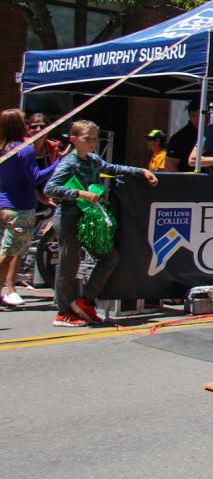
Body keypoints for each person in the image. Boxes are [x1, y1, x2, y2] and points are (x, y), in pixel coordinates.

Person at [45, 120, 158, 327]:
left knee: (109, 258)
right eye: (87, 139)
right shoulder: (69, 163)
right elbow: (50, 188)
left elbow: (112, 168)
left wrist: (141, 171)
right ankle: (63, 313)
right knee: (68, 267)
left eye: (95, 139)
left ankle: (85, 302)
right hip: (69, 219)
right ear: (74, 140)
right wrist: (80, 194)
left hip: (89, 220)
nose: (92, 143)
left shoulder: (94, 159)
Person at [0, 109, 59, 308]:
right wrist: (58, 163)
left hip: (4, 204)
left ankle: (6, 289)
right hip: (20, 206)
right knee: (12, 251)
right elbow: (36, 177)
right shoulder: (24, 150)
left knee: (9, 249)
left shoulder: (4, 147)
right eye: (26, 122)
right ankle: (8, 289)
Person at [165, 99, 204, 171]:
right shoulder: (179, 137)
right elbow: (171, 164)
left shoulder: (211, 132)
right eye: (205, 114)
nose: (208, 117)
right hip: (189, 176)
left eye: (209, 113)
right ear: (192, 115)